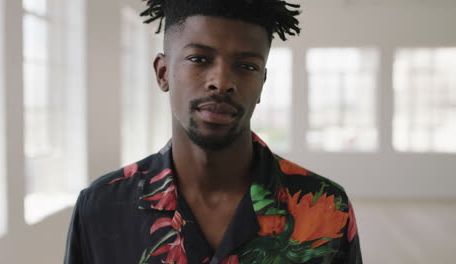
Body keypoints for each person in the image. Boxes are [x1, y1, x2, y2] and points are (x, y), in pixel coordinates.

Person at [64, 0, 363, 263]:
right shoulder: (101, 208)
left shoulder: (326, 208)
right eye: (199, 59)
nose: (221, 82)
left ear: (262, 83)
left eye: (246, 66)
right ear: (163, 72)